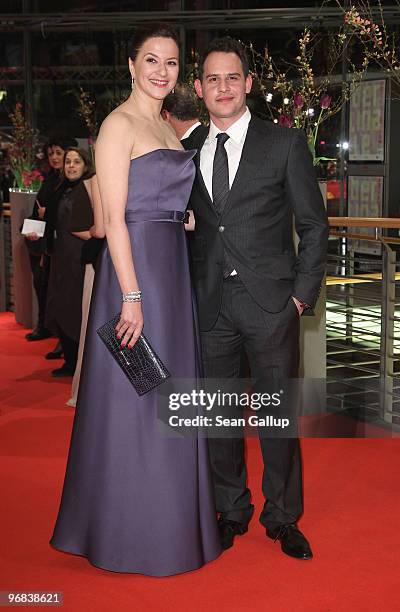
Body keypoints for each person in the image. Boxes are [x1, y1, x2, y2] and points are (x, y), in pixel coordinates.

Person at [50, 23, 221, 576]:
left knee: (171, 394)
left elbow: (161, 199)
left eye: (171, 64)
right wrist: (130, 295)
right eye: (151, 60)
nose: (161, 72)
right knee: (136, 399)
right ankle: (128, 529)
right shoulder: (117, 125)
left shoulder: (167, 129)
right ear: (131, 64)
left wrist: (183, 216)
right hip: (137, 277)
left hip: (170, 273)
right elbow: (116, 219)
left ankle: (174, 524)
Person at [184, 37, 329, 559]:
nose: (223, 87)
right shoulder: (185, 152)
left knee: (275, 419)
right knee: (218, 419)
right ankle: (232, 509)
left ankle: (283, 517)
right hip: (209, 305)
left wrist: (300, 296)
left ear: (248, 83)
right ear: (199, 89)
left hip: (271, 305)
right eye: (213, 79)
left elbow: (314, 225)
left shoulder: (284, 144)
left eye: (233, 77)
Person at [45, 147, 94, 377]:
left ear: (86, 165)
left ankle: (78, 364)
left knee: (76, 308)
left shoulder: (90, 189)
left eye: (77, 162)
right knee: (60, 304)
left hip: (80, 257)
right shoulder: (60, 189)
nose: (71, 166)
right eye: (68, 162)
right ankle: (69, 360)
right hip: (61, 257)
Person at [24, 137, 77, 344]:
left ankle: (58, 336)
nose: (54, 158)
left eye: (58, 153)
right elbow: (37, 210)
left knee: (56, 290)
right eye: (51, 154)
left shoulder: (69, 182)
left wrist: (50, 214)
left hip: (62, 244)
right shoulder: (50, 179)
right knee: (42, 284)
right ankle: (46, 327)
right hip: (42, 242)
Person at [66, 175, 105, 407]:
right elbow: (98, 230)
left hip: (106, 261)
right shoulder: (94, 184)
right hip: (104, 262)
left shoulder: (95, 182)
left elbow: (98, 229)